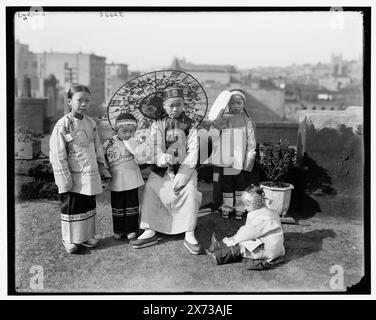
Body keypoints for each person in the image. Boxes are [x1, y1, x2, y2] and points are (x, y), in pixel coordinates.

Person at [130, 87, 202, 254]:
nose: (175, 109)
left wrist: (184, 174)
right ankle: (150, 229)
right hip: (162, 169)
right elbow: (154, 146)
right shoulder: (158, 124)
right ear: (164, 106)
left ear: (183, 105)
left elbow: (193, 151)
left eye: (178, 105)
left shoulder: (190, 125)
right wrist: (161, 157)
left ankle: (189, 231)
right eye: (171, 105)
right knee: (151, 188)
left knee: (189, 190)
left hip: (184, 169)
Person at [49, 83, 111, 254]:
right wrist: (64, 177)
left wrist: (102, 169)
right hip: (72, 175)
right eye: (80, 100)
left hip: (88, 173)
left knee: (87, 204)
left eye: (87, 101)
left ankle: (85, 237)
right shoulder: (63, 124)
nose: (84, 104)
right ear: (69, 101)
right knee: (72, 206)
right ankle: (68, 239)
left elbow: (97, 148)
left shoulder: (91, 123)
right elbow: (57, 153)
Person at [206, 185, 285, 270]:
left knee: (241, 247)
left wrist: (229, 241)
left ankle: (218, 254)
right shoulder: (270, 212)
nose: (245, 207)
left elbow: (246, 234)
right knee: (246, 242)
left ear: (256, 203)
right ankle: (219, 247)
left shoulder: (259, 217)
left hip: (267, 250)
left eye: (247, 205)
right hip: (277, 248)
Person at [210, 89, 258, 220]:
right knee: (227, 184)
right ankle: (227, 207)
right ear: (228, 105)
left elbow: (251, 142)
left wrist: (248, 162)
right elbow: (213, 136)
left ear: (243, 104)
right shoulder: (224, 118)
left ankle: (240, 208)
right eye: (232, 103)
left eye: (238, 103)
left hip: (240, 160)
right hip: (227, 159)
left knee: (240, 185)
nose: (235, 106)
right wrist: (216, 124)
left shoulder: (247, 121)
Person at [103, 112, 145, 240]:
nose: (127, 134)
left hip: (131, 178)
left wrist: (134, 144)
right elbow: (103, 158)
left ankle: (131, 229)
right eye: (124, 131)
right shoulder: (109, 143)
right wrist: (105, 172)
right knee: (117, 206)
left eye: (131, 131)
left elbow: (141, 158)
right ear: (117, 130)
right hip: (116, 179)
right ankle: (119, 229)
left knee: (132, 204)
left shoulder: (136, 142)